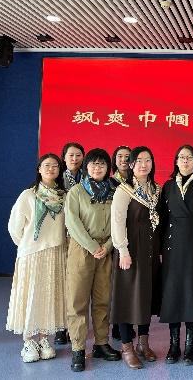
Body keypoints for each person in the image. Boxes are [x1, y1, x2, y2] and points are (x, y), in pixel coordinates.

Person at [6, 154, 67, 363]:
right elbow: (14, 228)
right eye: (46, 165)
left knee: (49, 296)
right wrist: (27, 246)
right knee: (31, 296)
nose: (51, 169)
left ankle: (44, 339)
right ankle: (28, 341)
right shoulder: (28, 195)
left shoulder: (64, 196)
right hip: (32, 254)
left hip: (56, 252)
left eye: (55, 165)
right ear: (39, 169)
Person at [64, 148, 120, 372]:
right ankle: (78, 348)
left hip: (106, 250)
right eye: (93, 164)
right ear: (86, 167)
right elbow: (72, 222)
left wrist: (108, 246)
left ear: (108, 168)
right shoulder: (76, 191)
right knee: (77, 300)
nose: (97, 168)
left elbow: (120, 222)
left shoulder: (115, 191)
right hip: (82, 249)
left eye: (102, 164)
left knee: (102, 300)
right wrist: (92, 246)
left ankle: (101, 343)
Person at [110, 147, 162, 369]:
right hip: (130, 251)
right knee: (126, 298)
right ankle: (127, 347)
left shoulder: (156, 189)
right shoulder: (124, 190)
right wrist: (123, 250)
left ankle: (143, 344)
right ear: (131, 165)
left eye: (148, 160)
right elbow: (117, 222)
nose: (143, 164)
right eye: (139, 160)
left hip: (150, 249)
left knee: (145, 296)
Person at [159, 145, 193, 365]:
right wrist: (160, 250)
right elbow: (162, 220)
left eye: (189, 158)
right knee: (173, 294)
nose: (186, 161)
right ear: (176, 161)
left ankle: (190, 345)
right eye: (182, 157)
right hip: (172, 247)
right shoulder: (168, 186)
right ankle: (174, 345)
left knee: (191, 293)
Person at [55, 142, 84, 345]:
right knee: (62, 283)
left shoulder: (88, 178)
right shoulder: (57, 178)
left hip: (83, 236)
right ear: (64, 157)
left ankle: (76, 326)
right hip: (62, 235)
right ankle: (61, 327)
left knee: (78, 285)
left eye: (78, 155)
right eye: (70, 155)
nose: (74, 159)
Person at [109, 144, 133, 343]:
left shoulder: (138, 182)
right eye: (120, 156)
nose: (124, 160)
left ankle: (127, 323)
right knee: (115, 285)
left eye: (127, 156)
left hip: (131, 239)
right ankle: (117, 326)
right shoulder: (109, 183)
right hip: (114, 240)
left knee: (128, 285)